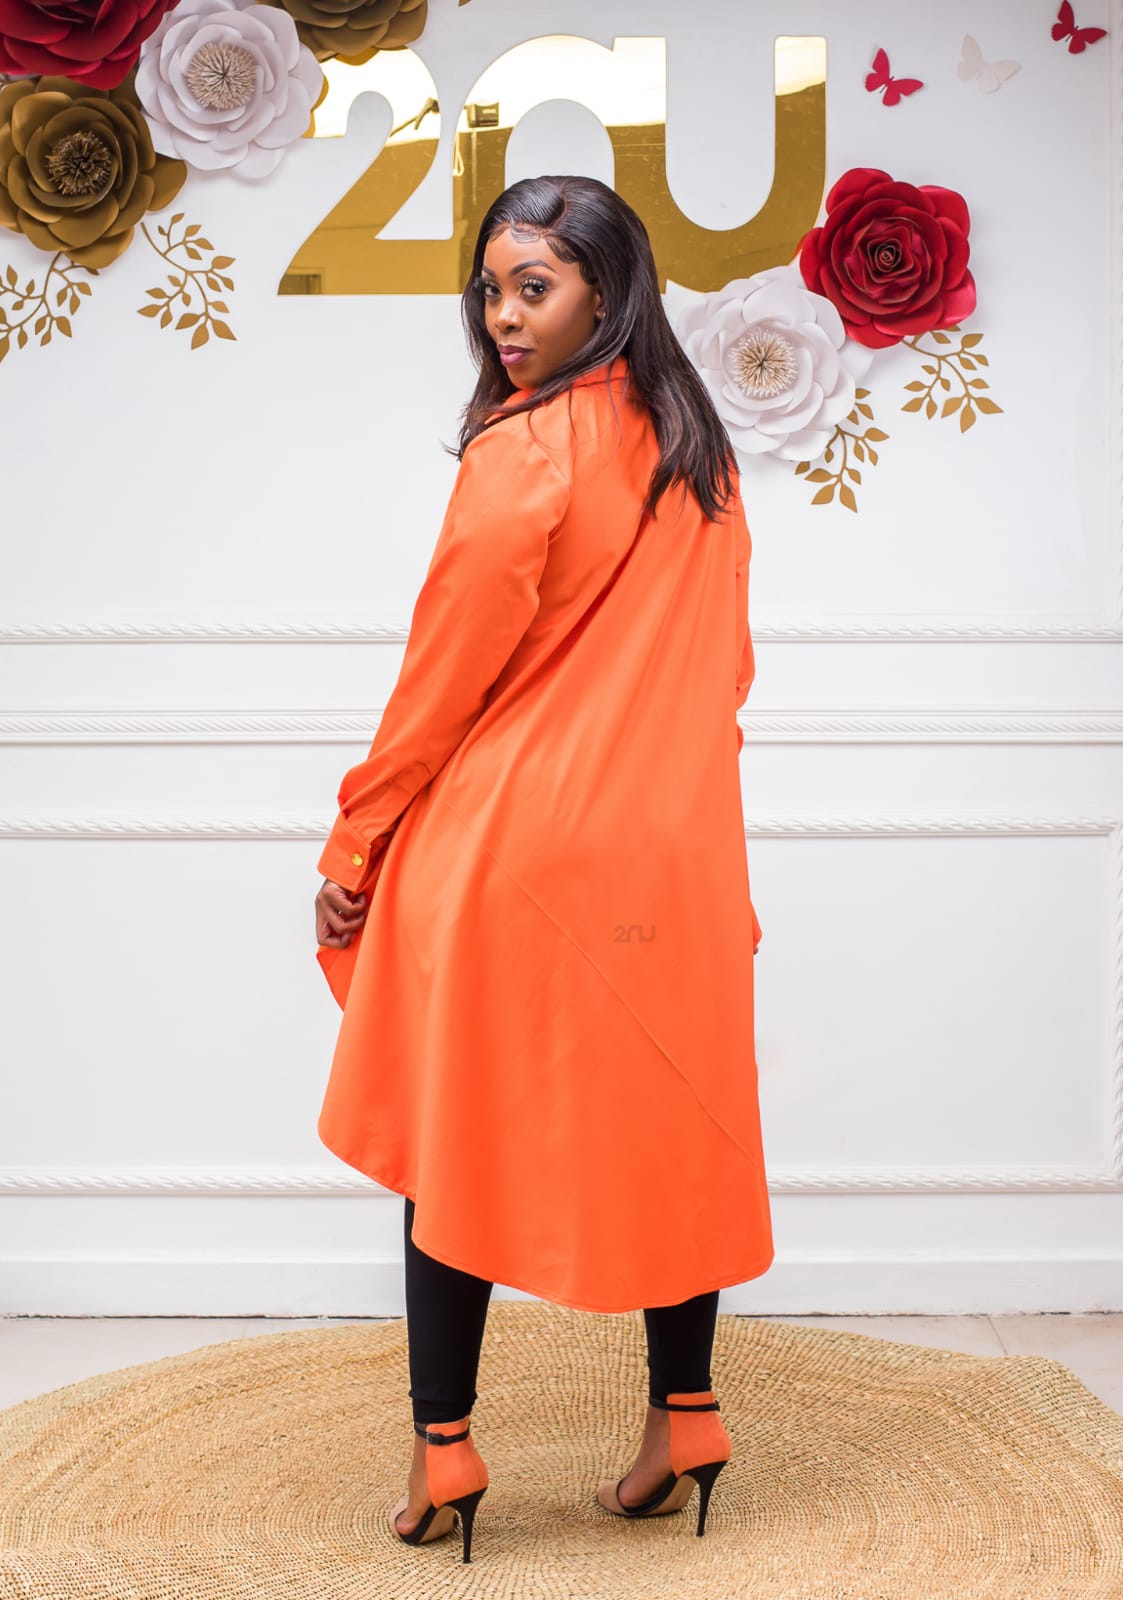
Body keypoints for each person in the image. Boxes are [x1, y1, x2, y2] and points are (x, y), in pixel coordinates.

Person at [312, 173, 773, 1564]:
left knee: (455, 1140)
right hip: (676, 853)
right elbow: (725, 675)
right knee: (674, 1126)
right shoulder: (700, 453)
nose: (504, 317)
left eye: (534, 288)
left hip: (518, 850)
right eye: (493, 289)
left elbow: (440, 682)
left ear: (606, 293)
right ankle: (686, 1418)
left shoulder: (522, 452)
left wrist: (356, 840)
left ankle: (445, 1446)